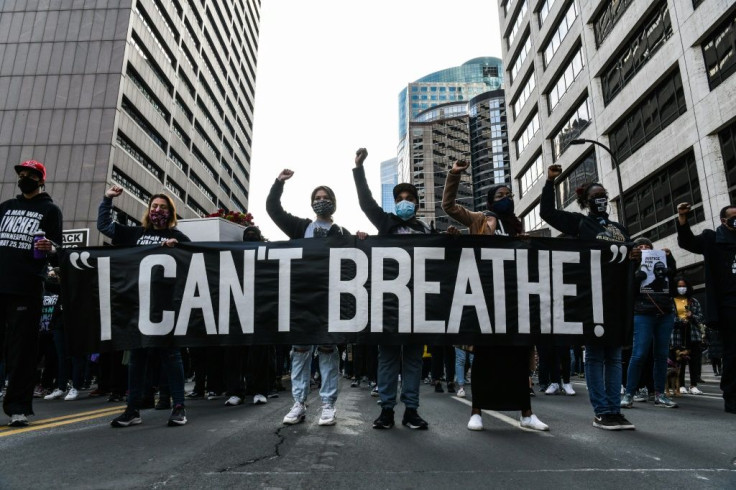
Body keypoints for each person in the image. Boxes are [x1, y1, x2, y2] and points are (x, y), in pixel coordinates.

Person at [442, 160, 548, 431]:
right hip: (486, 297)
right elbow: (449, 207)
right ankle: (476, 412)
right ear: (489, 201)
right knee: (485, 356)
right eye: (500, 196)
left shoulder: (517, 227)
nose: (506, 199)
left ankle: (526, 413)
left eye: (509, 196)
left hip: (513, 298)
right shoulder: (478, 219)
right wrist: (455, 174)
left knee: (518, 353)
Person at [539, 164, 635, 430]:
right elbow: (546, 213)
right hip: (593, 298)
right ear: (586, 202)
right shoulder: (580, 223)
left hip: (617, 300)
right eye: (595, 197)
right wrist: (550, 182)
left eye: (603, 194)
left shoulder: (620, 229)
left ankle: (615, 410)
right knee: (594, 355)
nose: (601, 199)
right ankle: (602, 410)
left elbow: (628, 263)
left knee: (614, 357)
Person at [266, 169, 361, 426]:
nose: (321, 200)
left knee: (328, 350)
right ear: (312, 203)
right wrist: (278, 184)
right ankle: (299, 402)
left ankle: (328, 404)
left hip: (330, 300)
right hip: (302, 299)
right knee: (300, 350)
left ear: (333, 203)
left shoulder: (342, 233)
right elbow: (273, 210)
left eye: (325, 196)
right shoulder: (300, 227)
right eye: (317, 197)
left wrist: (361, 240)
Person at [98, 185, 190, 427]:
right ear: (148, 210)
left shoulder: (179, 238)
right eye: (154, 207)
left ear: (171, 213)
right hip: (137, 305)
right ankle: (133, 409)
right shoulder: (134, 234)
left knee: (170, 354)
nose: (157, 210)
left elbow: (193, 261)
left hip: (165, 306)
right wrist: (107, 199)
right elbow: (105, 227)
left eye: (162, 207)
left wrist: (177, 249)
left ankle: (178, 406)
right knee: (137, 356)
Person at [353, 147, 431, 430]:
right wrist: (359, 168)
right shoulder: (385, 222)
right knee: (387, 359)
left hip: (416, 304)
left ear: (417, 205)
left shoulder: (425, 232)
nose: (405, 202)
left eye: (410, 199)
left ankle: (411, 410)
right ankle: (386, 409)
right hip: (387, 304)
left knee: (412, 360)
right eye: (400, 198)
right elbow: (366, 202)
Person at [0, 160, 63, 427]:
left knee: (22, 352)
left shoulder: (50, 210)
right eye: (21, 174)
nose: (24, 178)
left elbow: (58, 249)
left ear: (41, 180)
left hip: (26, 289)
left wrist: (51, 248)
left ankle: (18, 407)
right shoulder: (5, 207)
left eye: (30, 175)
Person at [676, 202, 736, 413]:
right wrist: (683, 219)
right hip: (729, 304)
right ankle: (731, 396)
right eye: (733, 218)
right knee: (733, 350)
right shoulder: (713, 239)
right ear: (724, 221)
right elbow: (687, 242)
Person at [620, 237, 679, 409]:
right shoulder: (630, 265)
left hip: (665, 312)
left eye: (648, 246)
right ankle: (630, 393)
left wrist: (670, 260)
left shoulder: (662, 264)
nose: (644, 247)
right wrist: (635, 273)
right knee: (639, 354)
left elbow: (673, 286)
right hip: (643, 313)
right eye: (640, 245)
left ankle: (659, 394)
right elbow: (626, 291)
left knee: (661, 356)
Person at [670, 275, 705, 395]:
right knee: (679, 361)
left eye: (683, 286)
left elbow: (700, 318)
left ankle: (694, 385)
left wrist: (692, 316)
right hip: (678, 335)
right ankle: (681, 385)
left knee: (694, 361)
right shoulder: (672, 301)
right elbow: (670, 319)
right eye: (679, 286)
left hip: (693, 335)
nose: (682, 288)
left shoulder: (694, 301)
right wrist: (680, 321)